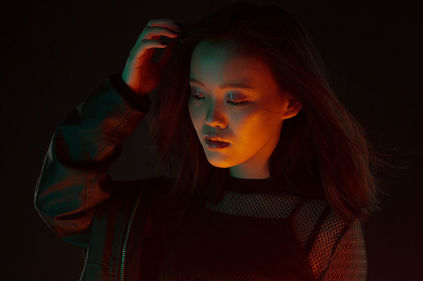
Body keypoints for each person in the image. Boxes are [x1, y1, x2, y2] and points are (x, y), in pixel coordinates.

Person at [35, 2, 388, 281]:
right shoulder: (158, 209)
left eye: (236, 99)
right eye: (199, 94)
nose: (211, 118)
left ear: (290, 102)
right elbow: (62, 206)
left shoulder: (321, 226)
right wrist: (126, 95)